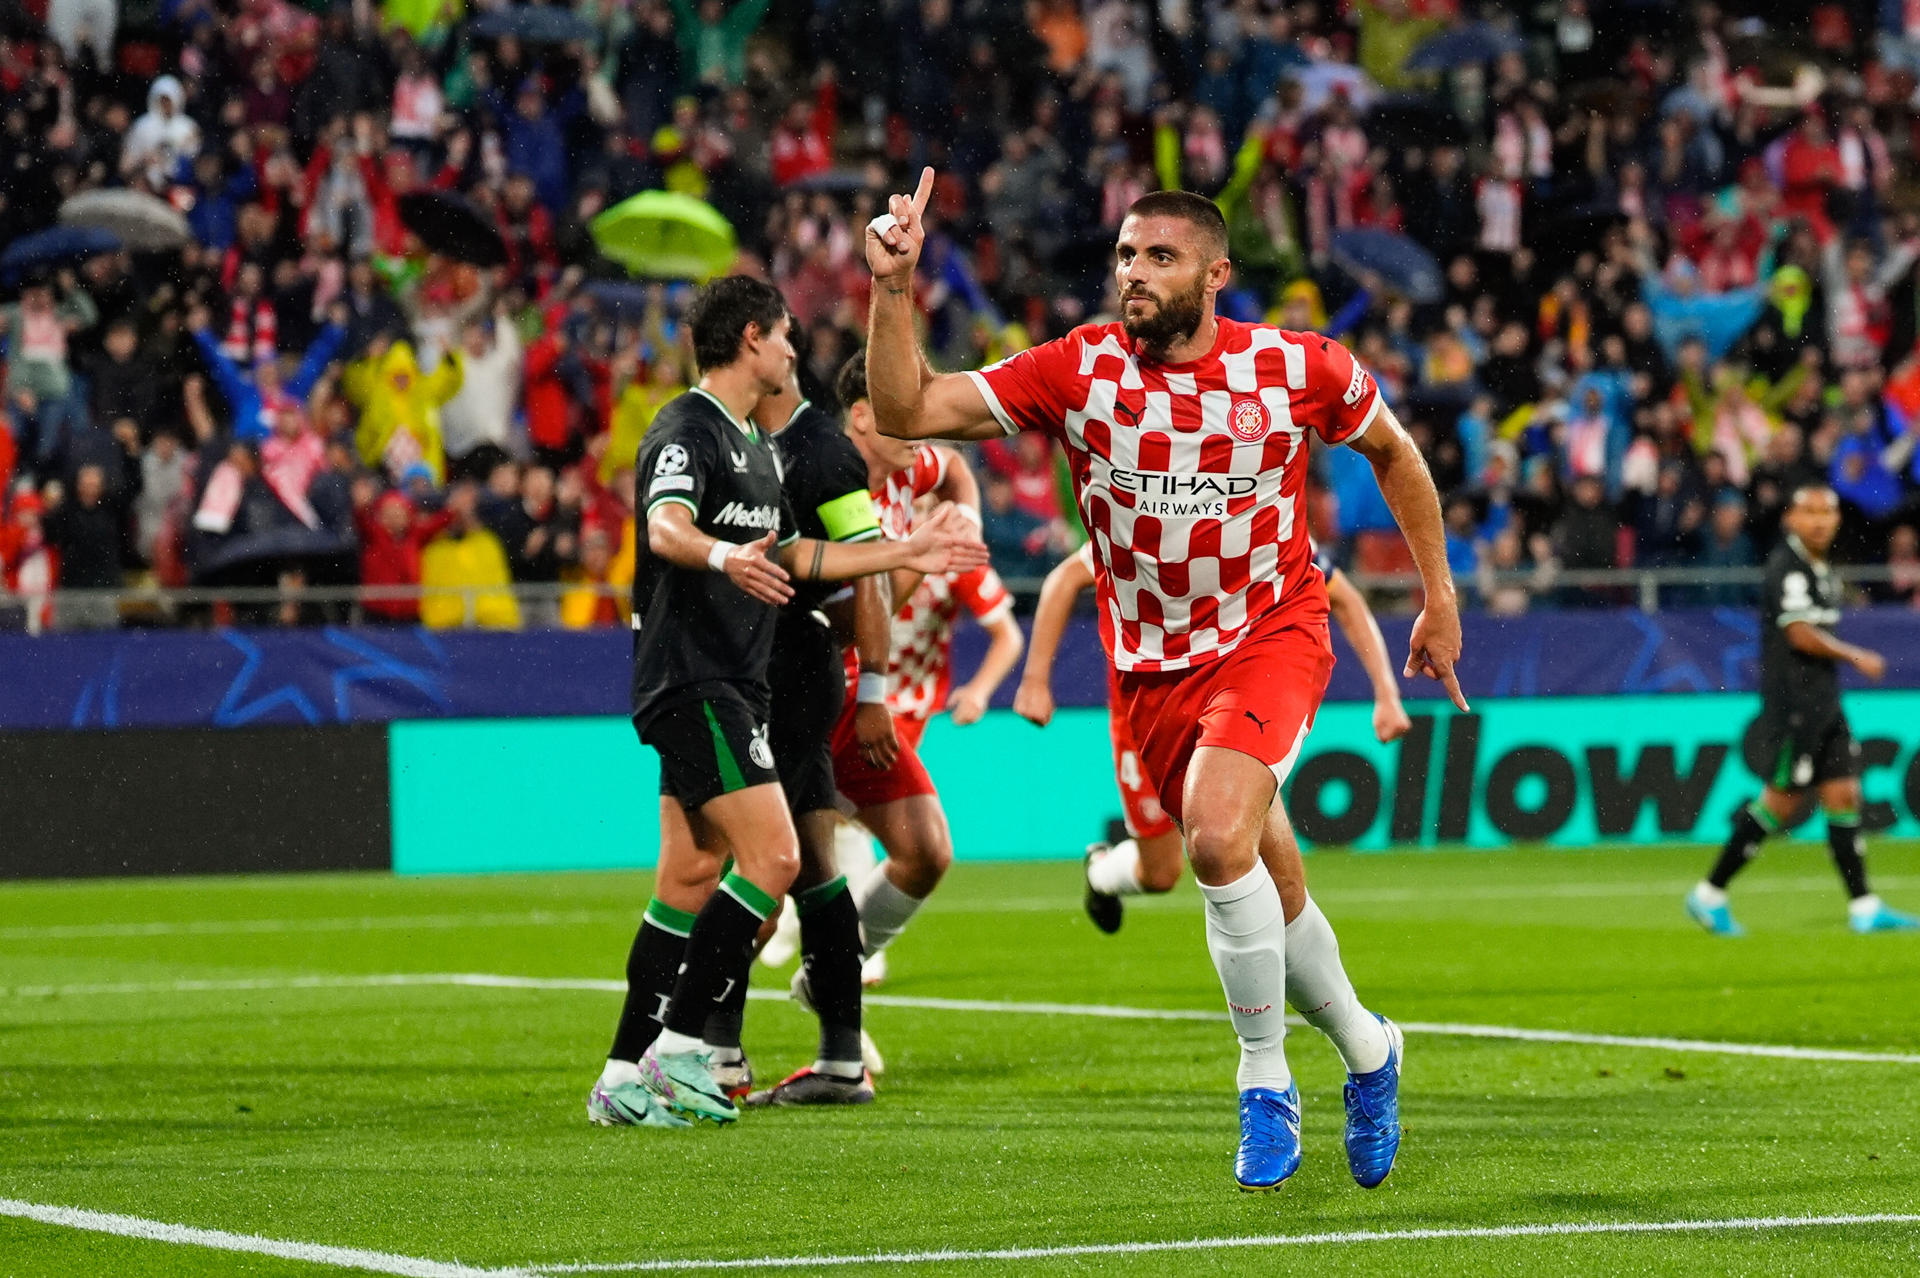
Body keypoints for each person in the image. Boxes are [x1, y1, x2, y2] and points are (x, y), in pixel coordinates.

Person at [862, 172, 1466, 1191]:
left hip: (1271, 635)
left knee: (1215, 835)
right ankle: (1371, 1051)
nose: (1134, 275)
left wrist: (1438, 599)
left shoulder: (1295, 368)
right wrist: (892, 288)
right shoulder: (1079, 370)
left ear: (1216, 274)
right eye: (1127, 257)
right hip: (1148, 668)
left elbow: (1396, 456)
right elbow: (907, 405)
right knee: (1271, 883)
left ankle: (1264, 1081)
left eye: (1160, 258)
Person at [589, 275, 983, 1129]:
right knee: (774, 861)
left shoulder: (754, 447)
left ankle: (624, 1070)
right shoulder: (684, 429)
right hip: (699, 680)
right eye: (786, 337)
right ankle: (685, 1051)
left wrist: (901, 552)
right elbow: (665, 528)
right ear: (753, 339)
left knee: (690, 877)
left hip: (735, 678)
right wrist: (726, 560)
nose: (796, 353)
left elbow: (803, 558)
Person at [1016, 540, 1411, 932]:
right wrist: (1035, 680)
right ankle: (1102, 873)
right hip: (1149, 700)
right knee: (1160, 873)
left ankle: (1303, 984)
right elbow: (1065, 577)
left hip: (1232, 691)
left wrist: (1387, 695)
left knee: (1256, 854)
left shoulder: (1265, 522)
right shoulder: (1151, 518)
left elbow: (1343, 597)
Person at [1685, 486, 1917, 937]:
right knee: (1782, 801)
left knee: (1843, 795)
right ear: (1791, 518)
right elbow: (1799, 633)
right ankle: (1709, 894)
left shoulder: (1819, 567)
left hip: (1822, 701)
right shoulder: (1787, 569)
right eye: (1809, 512)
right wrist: (1854, 656)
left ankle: (1864, 907)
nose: (1819, 521)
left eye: (1827, 512)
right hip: (1797, 706)